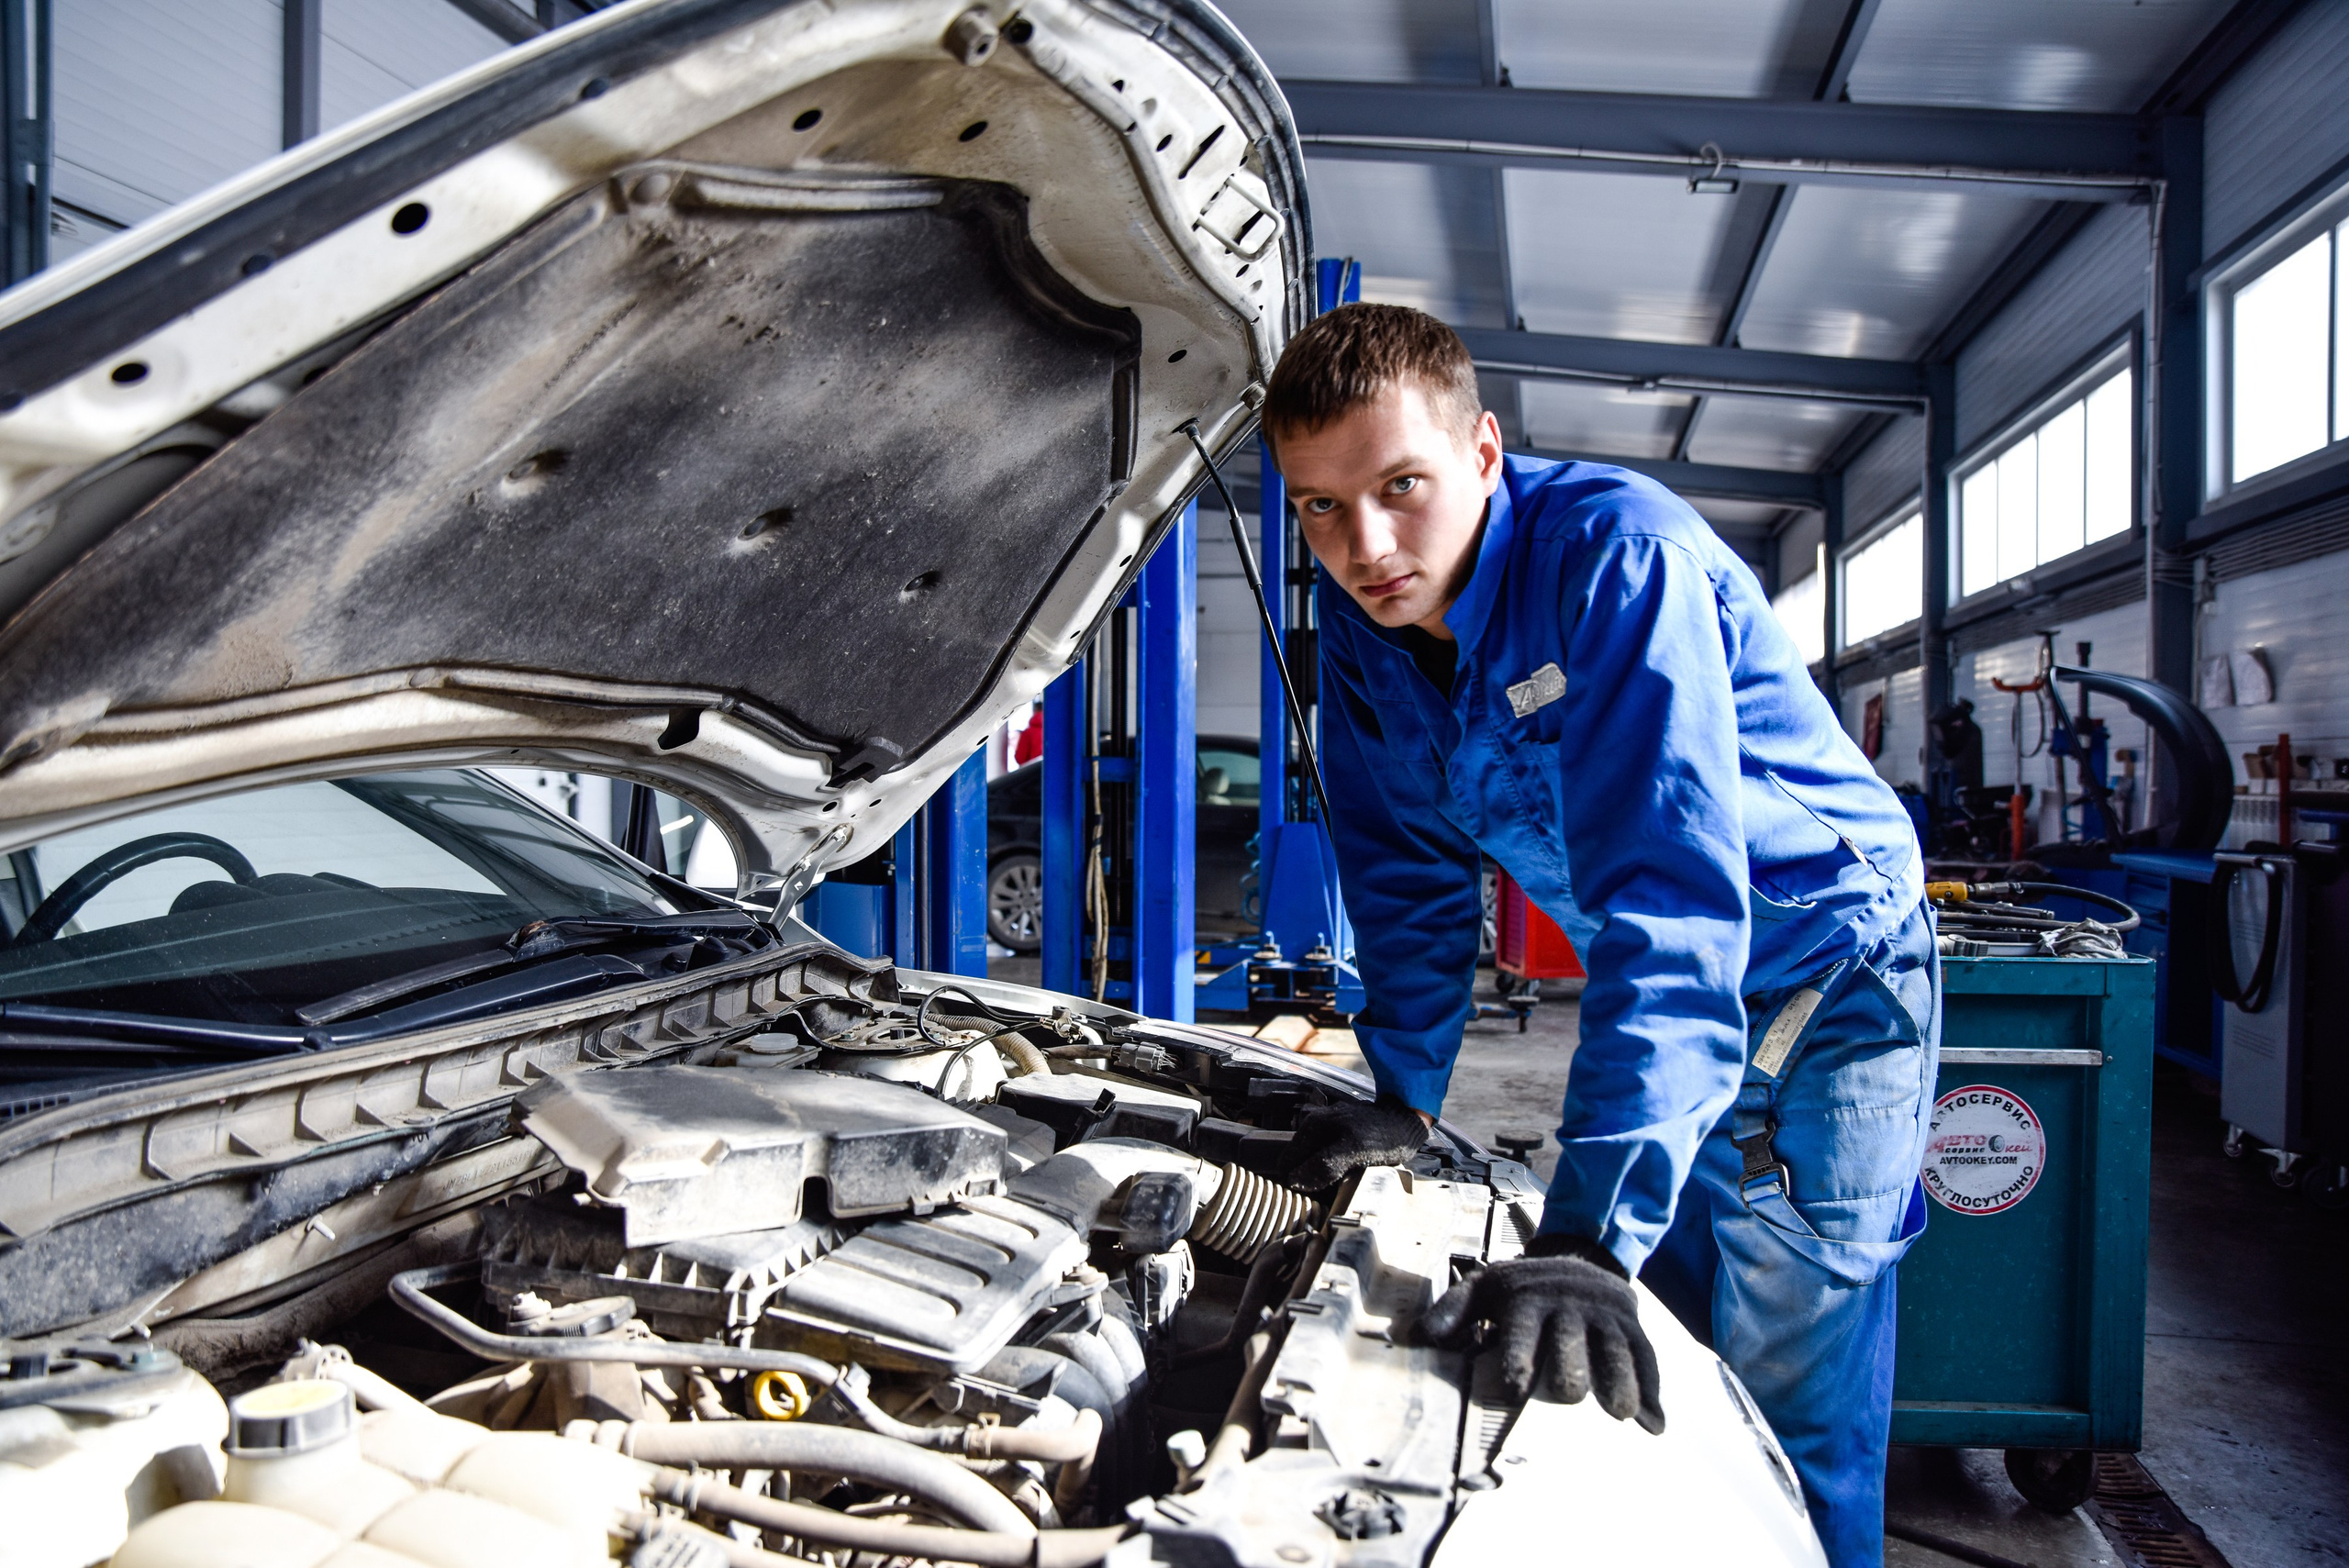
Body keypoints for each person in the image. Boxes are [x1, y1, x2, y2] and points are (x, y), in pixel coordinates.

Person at [1259, 304, 1937, 1568]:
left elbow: (1669, 897)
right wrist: (1402, 1089)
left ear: (1482, 451)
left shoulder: (1619, 564)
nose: (1366, 544)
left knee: (1790, 1382)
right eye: (1320, 507)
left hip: (1830, 976)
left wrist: (1581, 1238)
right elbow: (1404, 869)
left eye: (1400, 486)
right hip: (1682, 981)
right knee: (1656, 1343)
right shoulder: (1365, 628)